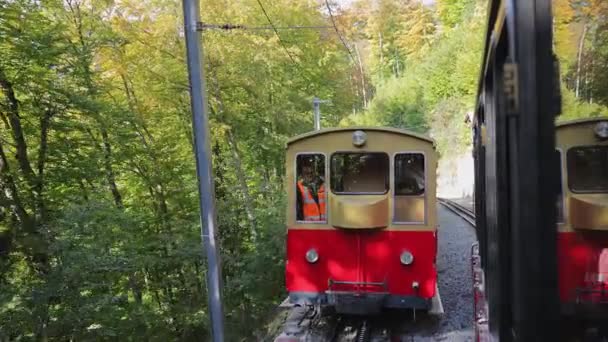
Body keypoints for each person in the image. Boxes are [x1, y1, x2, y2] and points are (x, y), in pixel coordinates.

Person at [296, 157, 326, 221]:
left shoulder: (323, 182)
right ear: (301, 169)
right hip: (309, 225)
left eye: (311, 165)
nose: (309, 170)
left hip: (326, 225)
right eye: (306, 166)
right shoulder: (298, 186)